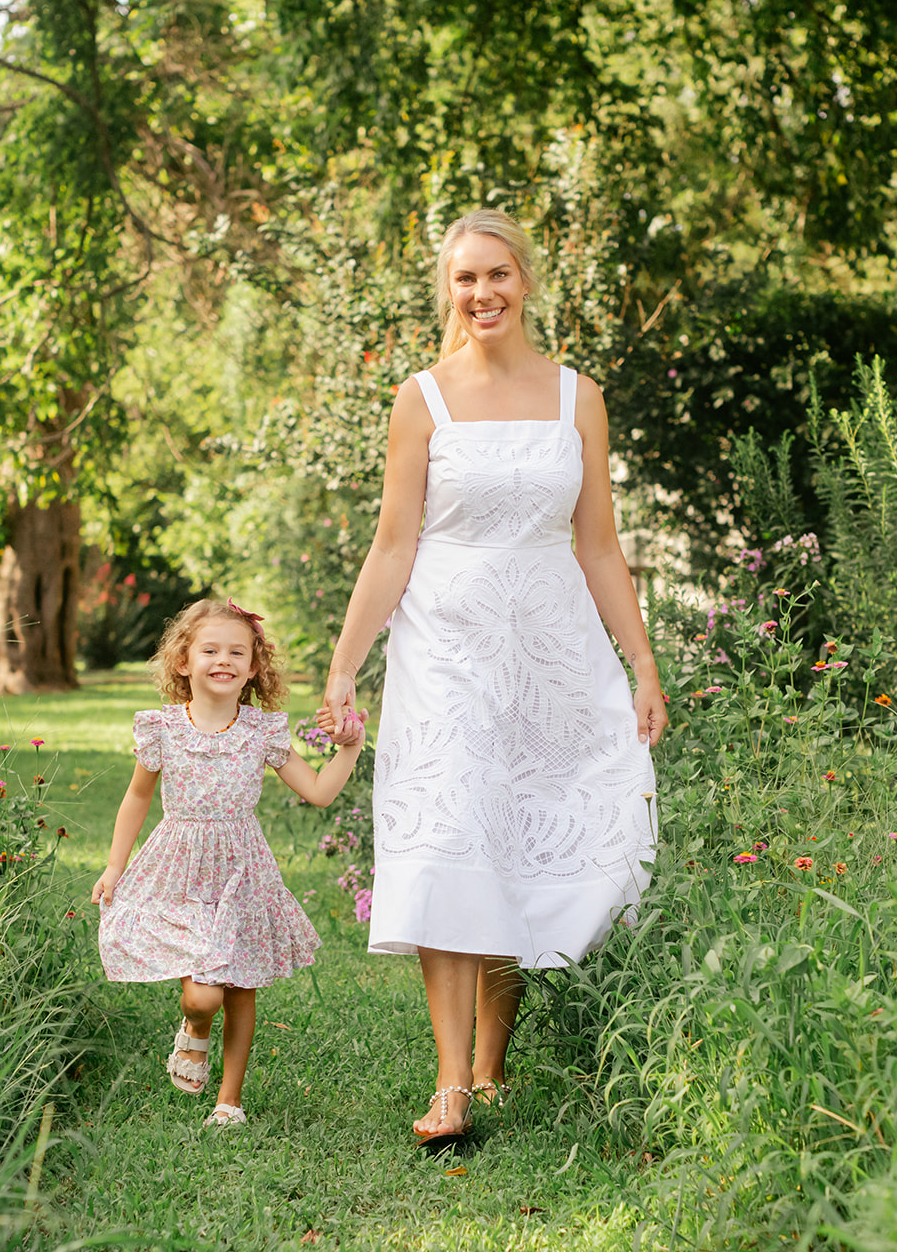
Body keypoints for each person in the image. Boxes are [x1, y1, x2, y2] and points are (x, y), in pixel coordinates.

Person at [321, 208, 666, 1148]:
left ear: (527, 282)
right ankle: (450, 1087)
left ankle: (493, 1059)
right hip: (446, 648)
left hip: (551, 649)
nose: (483, 293)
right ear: (448, 289)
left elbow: (599, 544)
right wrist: (346, 667)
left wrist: (641, 662)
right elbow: (394, 545)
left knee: (515, 836)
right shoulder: (420, 399)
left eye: (498, 275)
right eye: (466, 278)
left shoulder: (576, 397)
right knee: (450, 838)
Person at [94, 598, 363, 1128]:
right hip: (180, 868)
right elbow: (136, 799)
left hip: (243, 870)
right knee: (203, 995)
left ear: (254, 666)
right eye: (210, 649)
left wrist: (348, 750)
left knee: (241, 986)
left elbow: (319, 792)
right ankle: (194, 1027)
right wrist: (114, 865)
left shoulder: (260, 731)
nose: (224, 660)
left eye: (238, 651)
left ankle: (229, 1100)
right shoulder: (164, 729)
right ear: (182, 661)